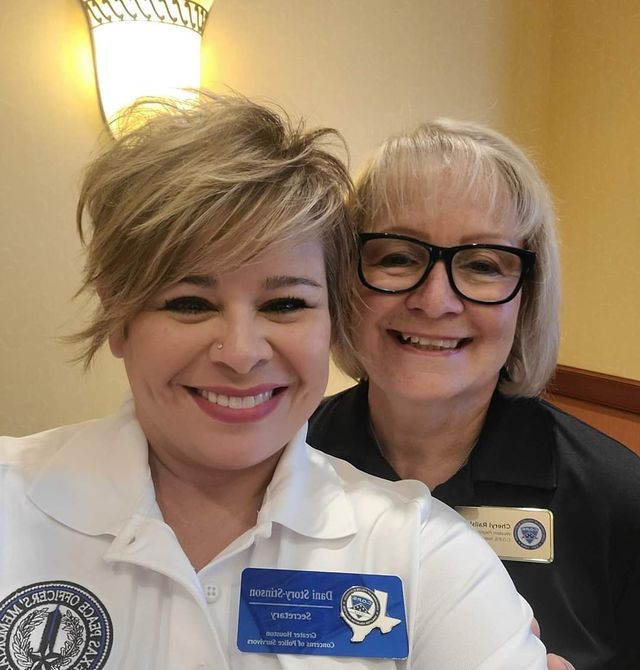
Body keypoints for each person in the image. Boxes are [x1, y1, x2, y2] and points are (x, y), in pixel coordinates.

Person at [0, 94, 547, 669]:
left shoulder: (425, 552)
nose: (241, 354)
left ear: (332, 316)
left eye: (285, 304)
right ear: (119, 320)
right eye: (189, 303)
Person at [308, 119, 640, 670]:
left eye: (483, 264)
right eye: (398, 256)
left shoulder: (619, 501)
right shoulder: (278, 464)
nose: (435, 300)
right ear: (346, 279)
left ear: (528, 299)